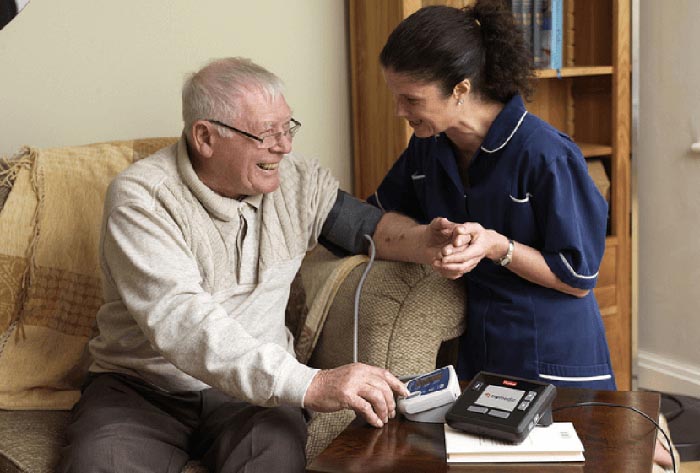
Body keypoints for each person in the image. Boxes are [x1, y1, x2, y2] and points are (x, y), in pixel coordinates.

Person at [58, 57, 464, 473]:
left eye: (287, 128)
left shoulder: (297, 180)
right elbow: (182, 323)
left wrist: (423, 242)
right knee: (99, 464)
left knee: (271, 460)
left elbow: (366, 227)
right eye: (267, 133)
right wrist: (311, 383)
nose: (284, 146)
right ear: (205, 137)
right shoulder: (141, 198)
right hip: (142, 390)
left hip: (254, 399)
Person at [368, 1, 618, 391]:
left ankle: (656, 446)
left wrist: (497, 246)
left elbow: (579, 277)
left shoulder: (546, 154)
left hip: (553, 355)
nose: (400, 110)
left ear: (460, 89)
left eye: (412, 100)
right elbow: (380, 214)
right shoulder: (429, 147)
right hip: (479, 352)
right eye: (396, 96)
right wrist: (423, 239)